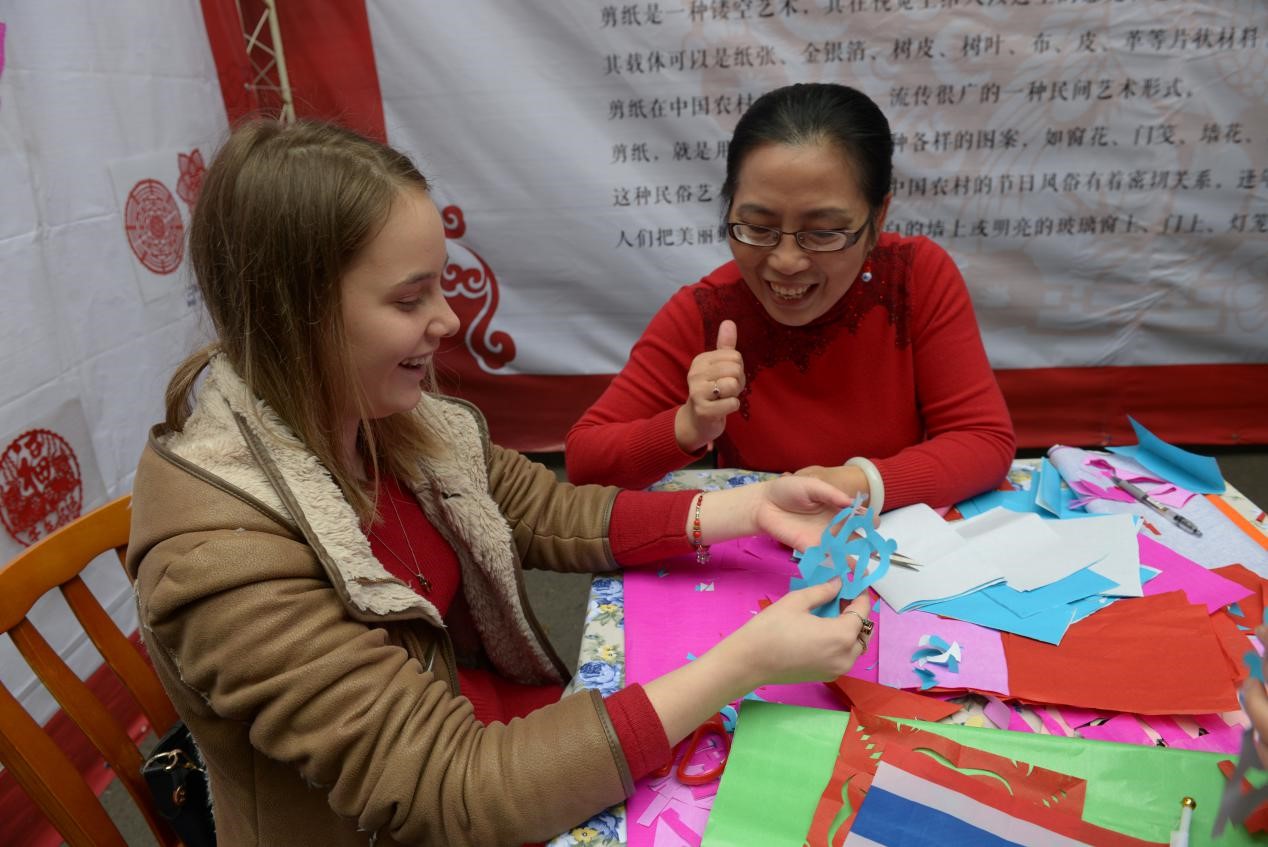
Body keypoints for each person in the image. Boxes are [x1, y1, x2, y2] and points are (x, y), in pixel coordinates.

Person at [124, 119, 872, 847]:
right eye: (410, 299)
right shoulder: (219, 559)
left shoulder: (383, 415)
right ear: (297, 316)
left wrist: (749, 506)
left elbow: (543, 509)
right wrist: (742, 663)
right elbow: (455, 794)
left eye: (440, 287)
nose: (448, 320)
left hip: (498, 740)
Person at [566, 83, 1016, 512]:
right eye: (758, 227)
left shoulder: (913, 278)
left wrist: (856, 484)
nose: (785, 262)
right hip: (756, 547)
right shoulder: (710, 312)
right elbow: (585, 460)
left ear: (878, 217)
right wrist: (688, 425)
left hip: (891, 539)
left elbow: (982, 439)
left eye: (822, 232)